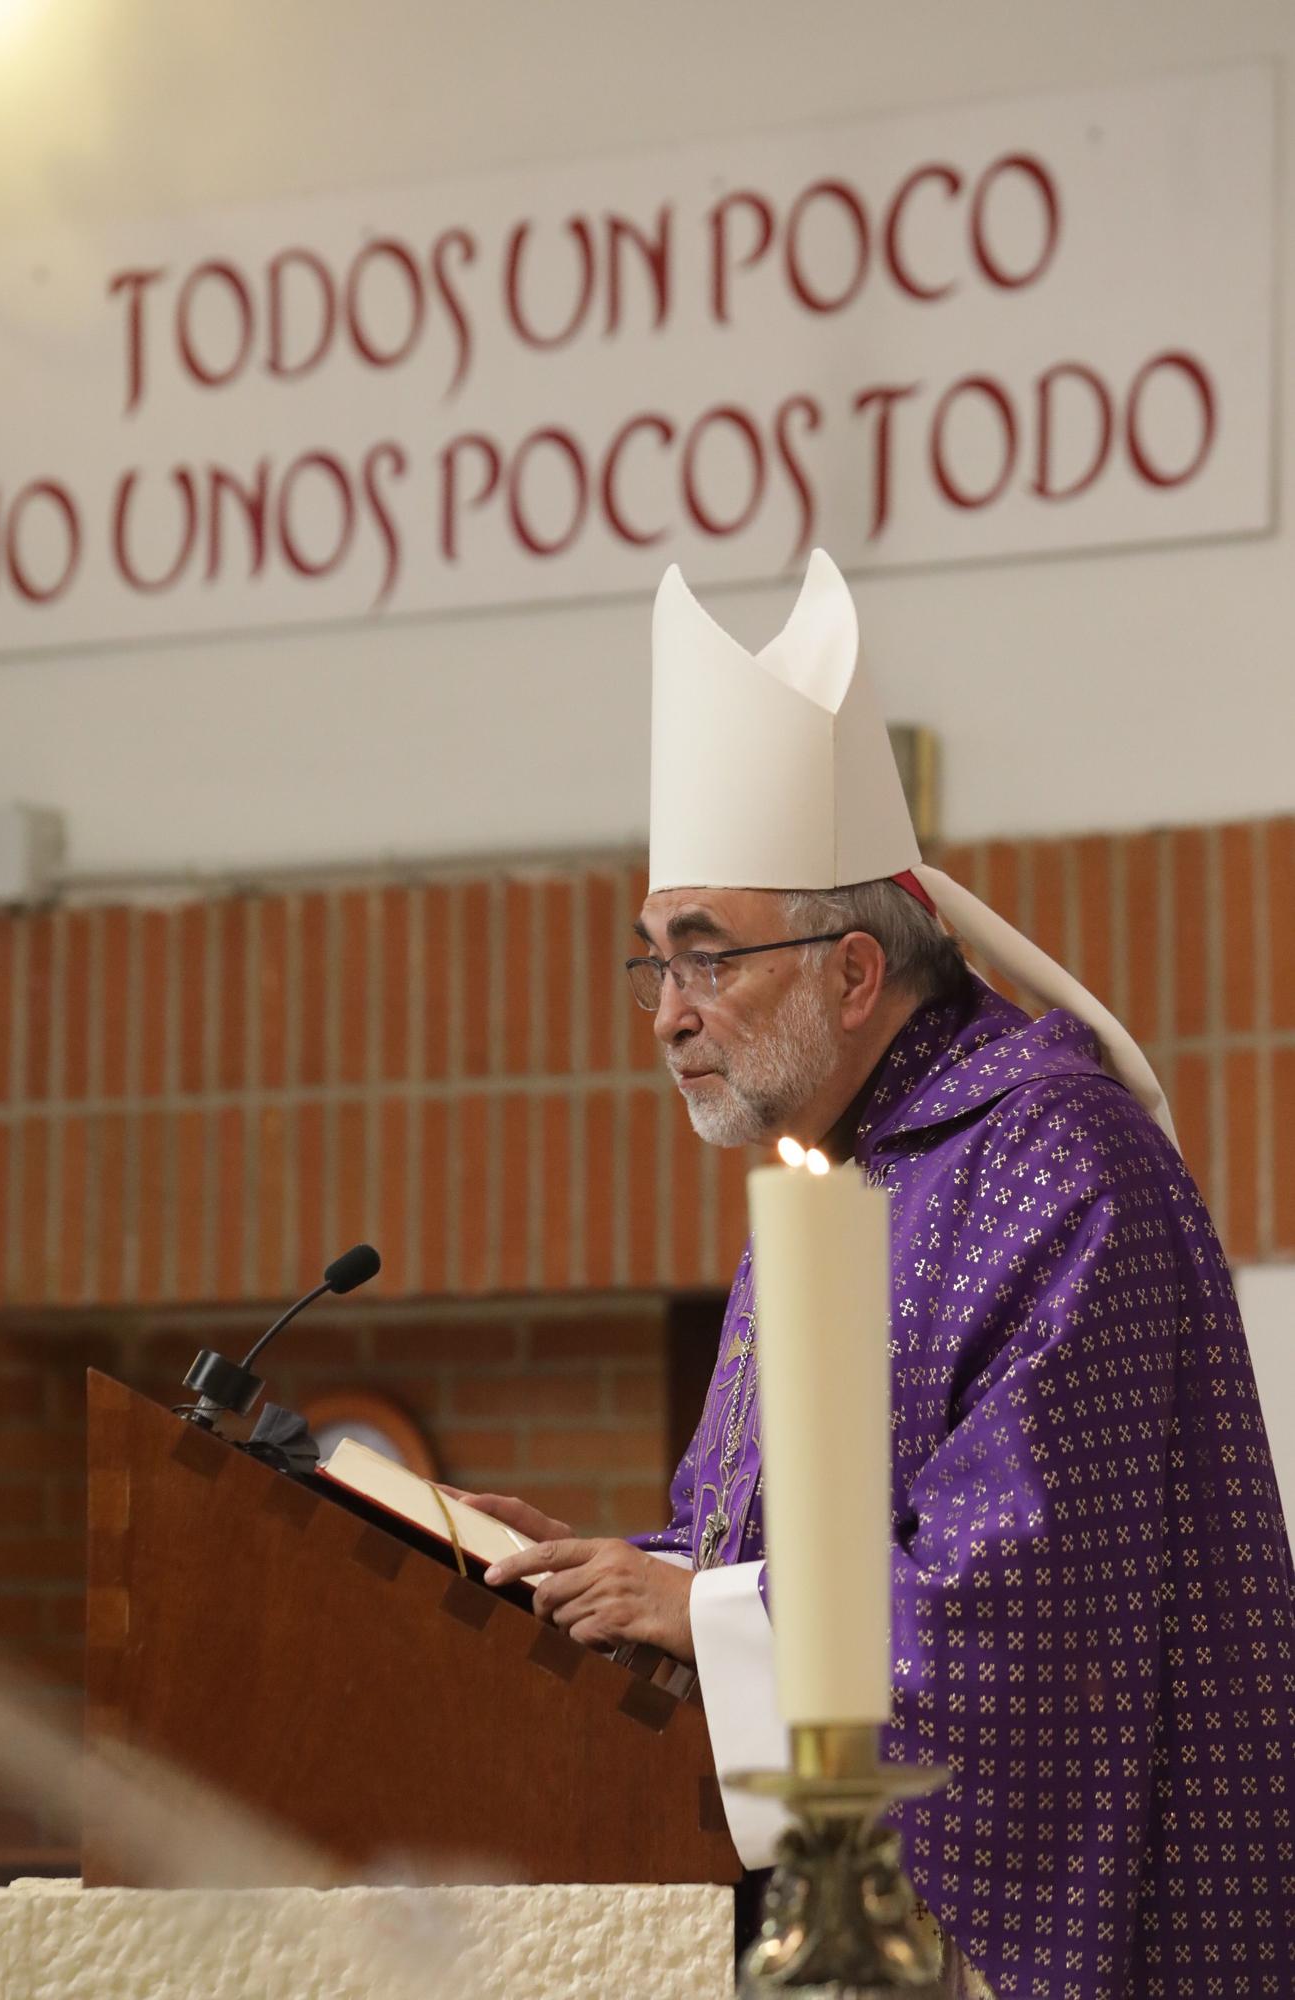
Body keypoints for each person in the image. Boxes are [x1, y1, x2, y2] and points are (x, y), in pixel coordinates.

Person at [476, 552, 1295, 1998]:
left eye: (706, 958)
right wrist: (628, 1572)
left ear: (855, 975)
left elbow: (1031, 1607)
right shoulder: (842, 1164)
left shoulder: (1053, 1158)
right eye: (650, 963)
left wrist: (703, 1615)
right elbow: (787, 1547)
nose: (666, 1016)